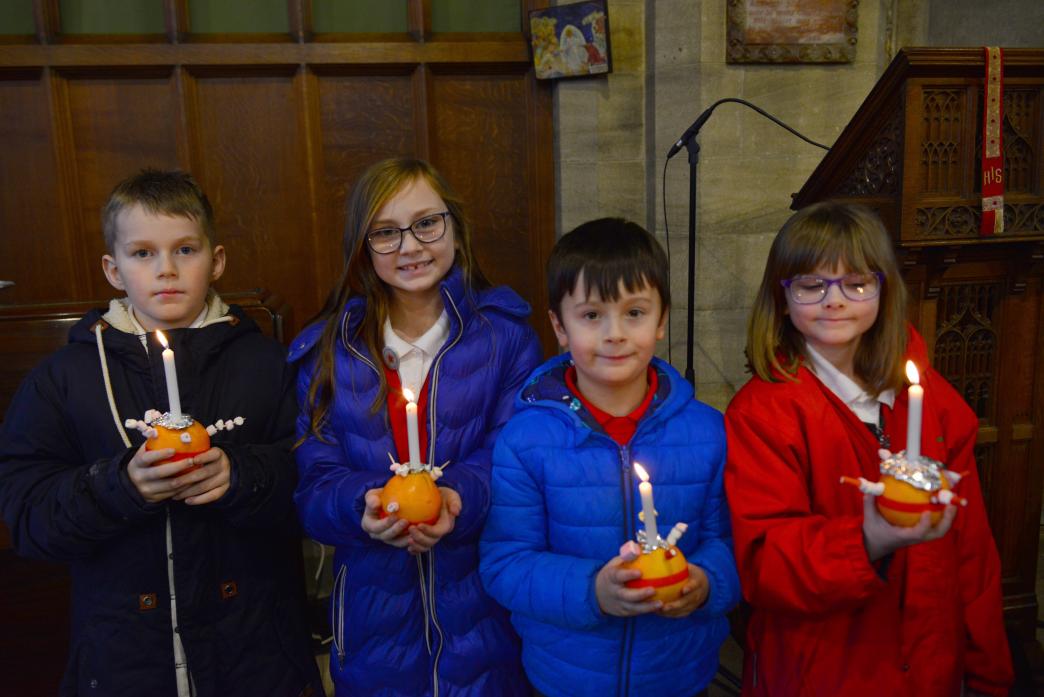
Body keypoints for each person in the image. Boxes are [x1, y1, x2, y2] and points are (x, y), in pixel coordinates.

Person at [0, 169, 322, 696]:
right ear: (113, 268)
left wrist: (240, 474)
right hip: (125, 662)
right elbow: (28, 515)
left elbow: (316, 476)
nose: (166, 270)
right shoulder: (64, 378)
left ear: (216, 260)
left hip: (256, 654)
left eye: (186, 250)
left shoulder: (268, 365)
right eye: (143, 253)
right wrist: (120, 486)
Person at [724, 201, 1013, 696]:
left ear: (883, 289)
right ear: (783, 296)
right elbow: (765, 567)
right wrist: (867, 540)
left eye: (856, 282)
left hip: (929, 665)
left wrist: (989, 673)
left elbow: (973, 552)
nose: (834, 300)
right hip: (825, 670)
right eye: (812, 284)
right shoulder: (763, 412)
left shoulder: (933, 401)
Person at [291, 157, 541, 696]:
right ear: (363, 245)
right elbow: (313, 484)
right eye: (386, 232)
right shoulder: (330, 353)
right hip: (373, 621)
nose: (410, 246)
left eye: (427, 222)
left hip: (483, 611)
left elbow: (514, 458)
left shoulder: (506, 339)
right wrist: (364, 505)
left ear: (455, 225)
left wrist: (456, 497)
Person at [480, 218, 740, 697]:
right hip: (566, 678)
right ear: (559, 326)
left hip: (678, 675)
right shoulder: (526, 440)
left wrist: (705, 582)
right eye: (592, 315)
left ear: (662, 321)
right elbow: (506, 564)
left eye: (634, 313)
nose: (615, 334)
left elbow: (732, 544)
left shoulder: (708, 433)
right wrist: (593, 591)